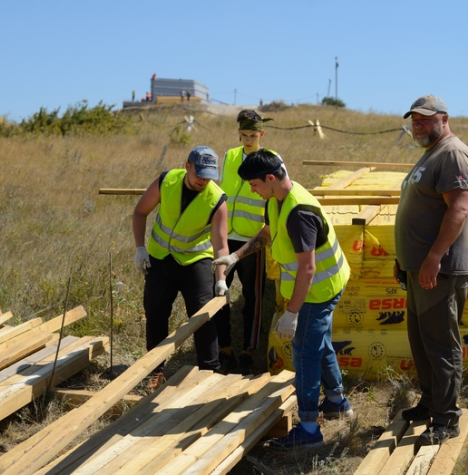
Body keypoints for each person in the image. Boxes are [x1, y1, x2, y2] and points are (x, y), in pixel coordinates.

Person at [213, 150, 352, 449]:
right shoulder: (277, 199)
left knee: (304, 352)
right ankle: (337, 402)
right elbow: (266, 233)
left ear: (270, 178)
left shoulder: (299, 212)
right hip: (320, 286)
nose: (252, 189)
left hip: (318, 290)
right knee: (320, 343)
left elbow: (308, 268)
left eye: (254, 184)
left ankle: (310, 430)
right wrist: (236, 256)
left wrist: (291, 313)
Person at [394, 95, 468, 445]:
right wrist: (406, 259)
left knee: (441, 345)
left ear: (444, 118)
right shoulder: (430, 154)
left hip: (440, 271)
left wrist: (433, 258)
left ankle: (446, 419)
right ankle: (430, 403)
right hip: (420, 268)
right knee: (422, 342)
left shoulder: (452, 153)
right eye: (414, 120)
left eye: (425, 120)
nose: (418, 125)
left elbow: (457, 210)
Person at [133, 145, 230, 386]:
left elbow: (220, 245)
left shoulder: (217, 199)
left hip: (194, 261)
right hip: (160, 258)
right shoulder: (166, 181)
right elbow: (140, 212)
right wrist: (139, 248)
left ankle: (210, 371)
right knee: (155, 312)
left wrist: (220, 279)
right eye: (199, 175)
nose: (203, 181)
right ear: (187, 166)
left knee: (203, 314)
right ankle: (155, 370)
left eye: (209, 177)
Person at [213, 110, 283, 375]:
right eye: (244, 135)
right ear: (238, 133)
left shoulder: (272, 159)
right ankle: (224, 350)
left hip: (254, 241)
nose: (248, 140)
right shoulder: (230, 156)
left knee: (253, 298)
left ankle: (248, 352)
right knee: (219, 294)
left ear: (262, 134)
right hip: (225, 239)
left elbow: (278, 196)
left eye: (253, 135)